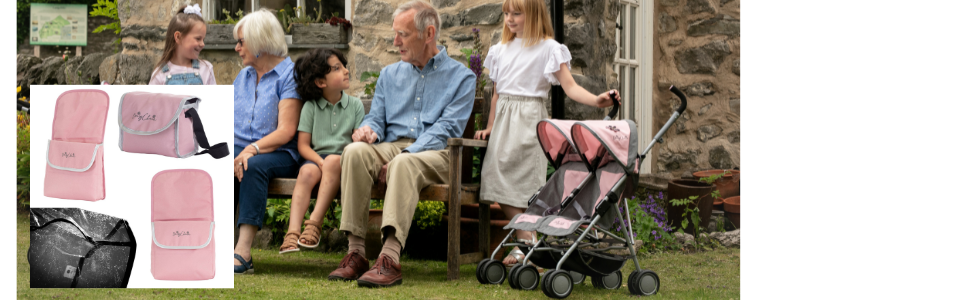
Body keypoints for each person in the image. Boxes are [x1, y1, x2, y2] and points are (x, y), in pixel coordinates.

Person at [325, 0, 476, 288]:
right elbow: (377, 118)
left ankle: (390, 258)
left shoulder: (462, 78)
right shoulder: (389, 74)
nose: (395, 42)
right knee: (354, 152)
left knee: (405, 162)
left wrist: (406, 153)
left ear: (428, 33)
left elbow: (447, 129)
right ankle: (356, 253)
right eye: (395, 34)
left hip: (439, 152)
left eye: (402, 35)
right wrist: (369, 131)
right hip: (393, 145)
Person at [474, 0, 620, 267]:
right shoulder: (500, 50)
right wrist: (491, 126)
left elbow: (570, 87)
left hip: (530, 121)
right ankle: (527, 240)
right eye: (506, 13)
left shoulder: (548, 48)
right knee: (495, 181)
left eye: (517, 13)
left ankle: (524, 246)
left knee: (527, 186)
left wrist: (597, 101)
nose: (510, 19)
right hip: (504, 121)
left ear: (533, 14)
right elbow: (496, 95)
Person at [231, 9, 304, 275]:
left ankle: (243, 252)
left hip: (279, 152)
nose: (237, 48)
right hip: (241, 147)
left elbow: (286, 131)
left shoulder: (289, 76)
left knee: (252, 165)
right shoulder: (243, 77)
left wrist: (252, 149)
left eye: (241, 42)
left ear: (259, 42)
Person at [279, 48, 364, 254]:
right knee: (306, 172)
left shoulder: (355, 106)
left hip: (343, 161)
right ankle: (292, 232)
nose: (346, 71)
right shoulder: (310, 107)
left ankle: (314, 224)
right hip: (316, 159)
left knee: (333, 161)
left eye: (343, 66)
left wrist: (330, 162)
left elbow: (357, 144)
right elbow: (303, 146)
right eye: (337, 68)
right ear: (320, 82)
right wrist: (319, 161)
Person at [149, 4, 217, 85]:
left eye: (203, 39)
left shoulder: (206, 69)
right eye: (198, 39)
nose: (202, 44)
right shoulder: (159, 74)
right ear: (178, 37)